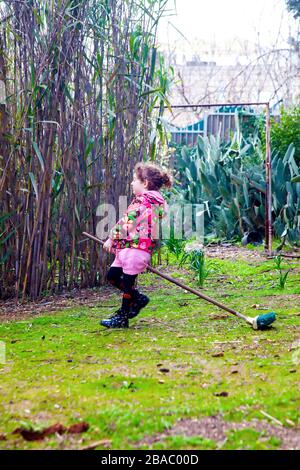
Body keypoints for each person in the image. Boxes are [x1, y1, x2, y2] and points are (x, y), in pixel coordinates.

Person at [100, 162, 173, 328]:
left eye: (135, 180)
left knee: (127, 284)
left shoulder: (144, 202)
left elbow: (127, 222)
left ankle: (123, 317)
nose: (132, 183)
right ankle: (138, 298)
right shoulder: (153, 202)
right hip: (129, 249)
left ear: (145, 183)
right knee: (112, 276)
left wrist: (112, 238)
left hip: (136, 251)